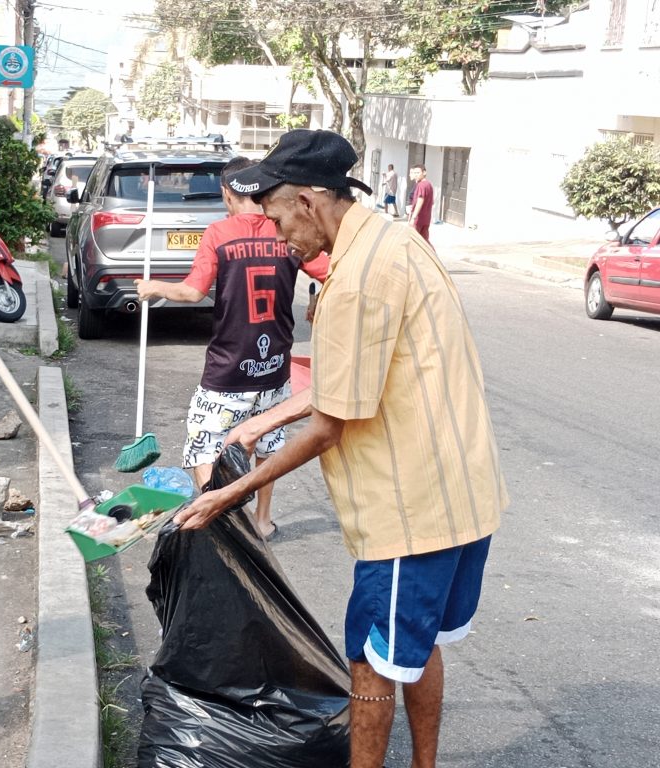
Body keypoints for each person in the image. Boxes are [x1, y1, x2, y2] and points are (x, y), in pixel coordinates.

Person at [173, 129, 507, 768]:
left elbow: (331, 425)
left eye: (274, 218)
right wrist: (260, 420)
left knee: (373, 663)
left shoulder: (356, 279)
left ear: (307, 200)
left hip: (412, 511)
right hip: (465, 490)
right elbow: (359, 373)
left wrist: (230, 493)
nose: (274, 236)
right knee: (419, 642)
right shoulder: (394, 238)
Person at [134, 157, 327, 540]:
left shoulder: (219, 233)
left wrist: (152, 287)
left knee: (203, 440)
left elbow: (192, 291)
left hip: (229, 365)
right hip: (274, 362)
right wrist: (319, 300)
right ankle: (262, 519)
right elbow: (332, 268)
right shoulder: (284, 231)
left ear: (228, 193)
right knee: (267, 442)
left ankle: (218, 522)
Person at [408, 163, 434, 243]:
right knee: (424, 242)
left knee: (413, 241)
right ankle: (432, 255)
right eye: (414, 173)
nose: (416, 175)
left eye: (418, 173)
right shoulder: (429, 184)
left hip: (418, 219)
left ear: (424, 173)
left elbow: (420, 201)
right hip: (426, 219)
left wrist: (413, 217)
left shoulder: (421, 185)